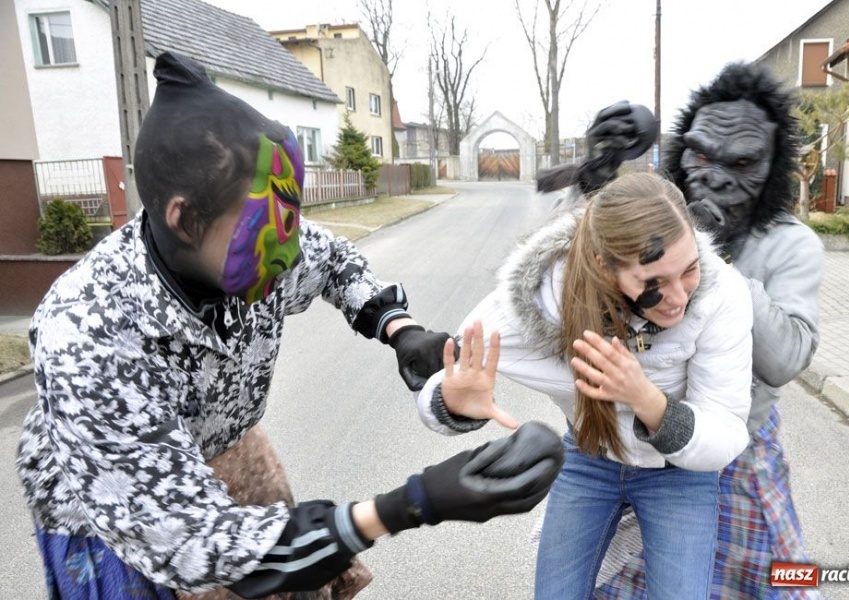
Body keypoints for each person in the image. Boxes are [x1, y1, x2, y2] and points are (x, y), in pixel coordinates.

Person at [15, 51, 564, 600]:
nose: (288, 251)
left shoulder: (261, 242)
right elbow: (193, 545)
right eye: (267, 229)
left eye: (292, 218)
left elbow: (333, 263)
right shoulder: (90, 331)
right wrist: (415, 503)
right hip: (114, 514)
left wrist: (399, 329)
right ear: (184, 219)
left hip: (231, 443)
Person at [414, 172, 755, 599]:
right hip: (589, 454)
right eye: (654, 283)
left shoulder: (721, 294)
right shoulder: (539, 299)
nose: (680, 296)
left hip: (679, 473)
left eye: (689, 270)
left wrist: (645, 399)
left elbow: (725, 431)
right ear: (603, 267)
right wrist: (452, 402)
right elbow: (436, 388)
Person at [578, 63, 824, 599]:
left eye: (741, 162)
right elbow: (582, 278)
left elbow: (785, 360)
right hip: (640, 438)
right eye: (701, 154)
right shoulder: (660, 218)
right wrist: (597, 177)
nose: (712, 176)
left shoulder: (791, 245)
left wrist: (705, 250)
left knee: (775, 585)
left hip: (735, 450)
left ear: (772, 167)